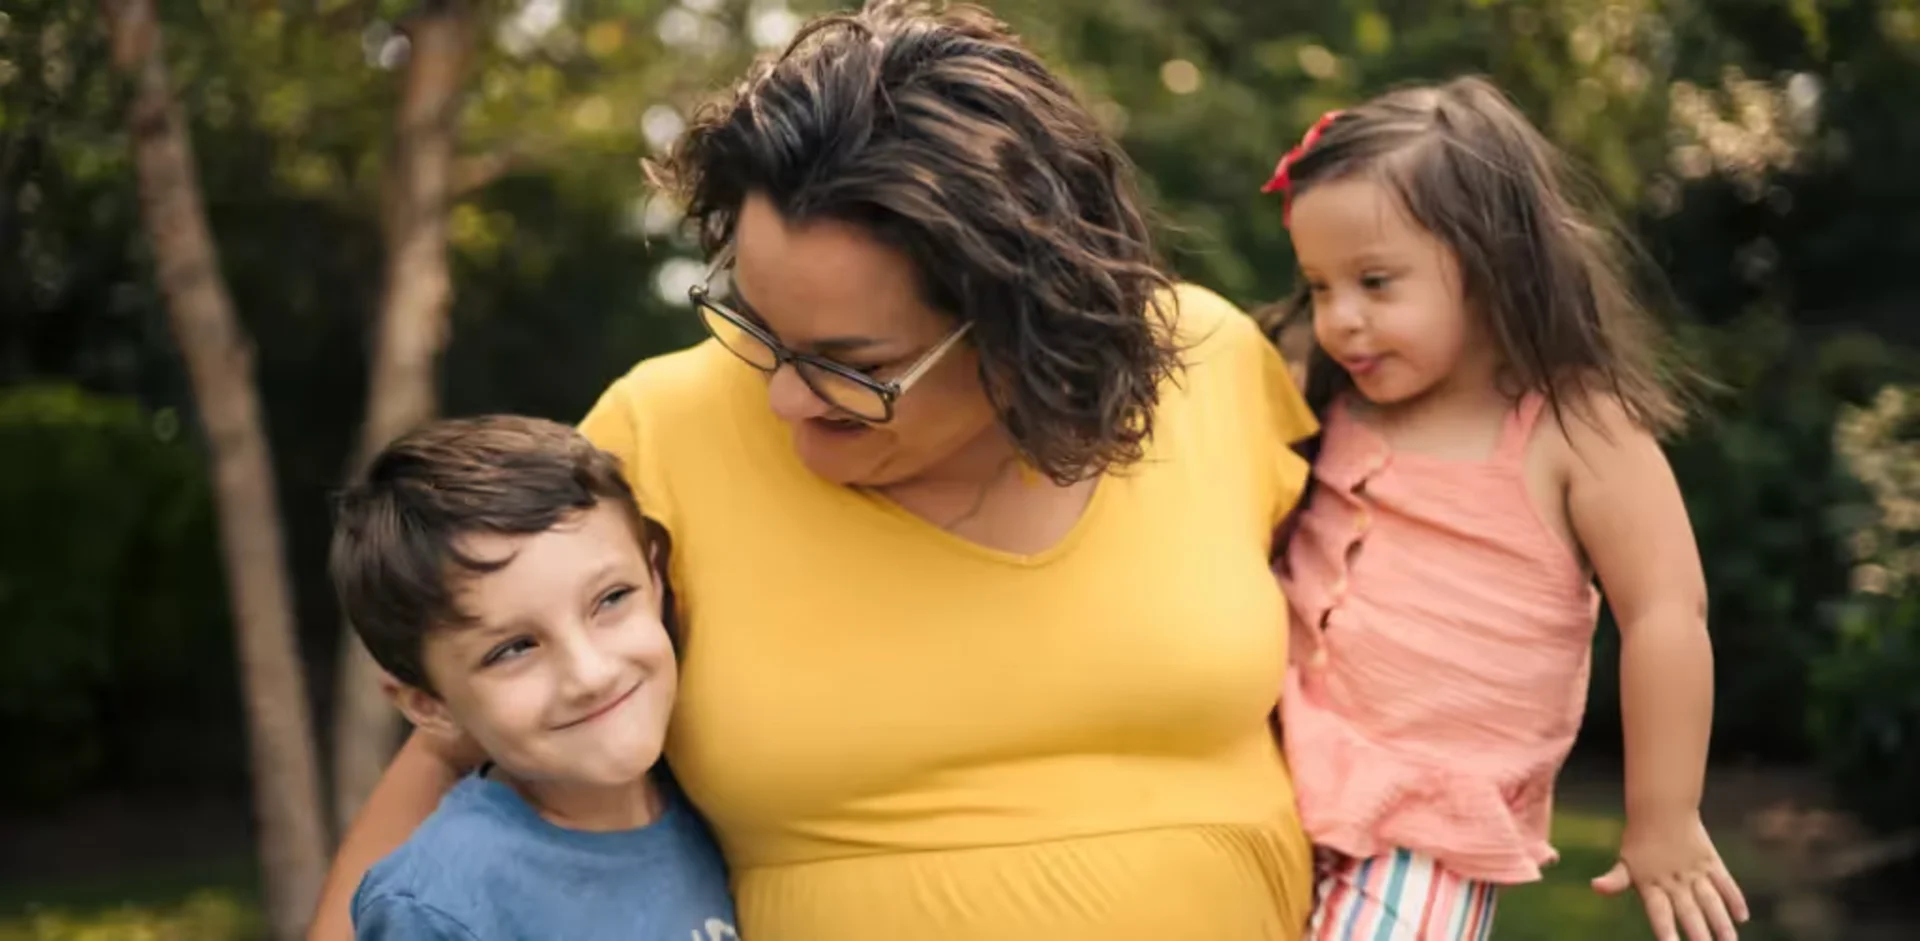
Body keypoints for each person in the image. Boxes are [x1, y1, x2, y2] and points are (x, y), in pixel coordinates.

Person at [308, 3, 1320, 940]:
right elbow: (464, 722)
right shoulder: (655, 434)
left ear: (1027, 328)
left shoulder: (1207, 363)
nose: (784, 396)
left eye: (854, 365)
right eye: (759, 327)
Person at [1263, 77, 1750, 941]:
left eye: (1375, 281)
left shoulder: (1572, 427)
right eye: (1319, 285)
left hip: (1427, 826)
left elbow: (1667, 612)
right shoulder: (1332, 400)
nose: (1340, 318)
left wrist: (1663, 816)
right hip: (1271, 776)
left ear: (1492, 260)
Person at [327, 416, 739, 940]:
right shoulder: (440, 908)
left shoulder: (715, 800)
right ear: (429, 705)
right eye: (514, 649)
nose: (589, 674)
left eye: (610, 599)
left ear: (655, 579)